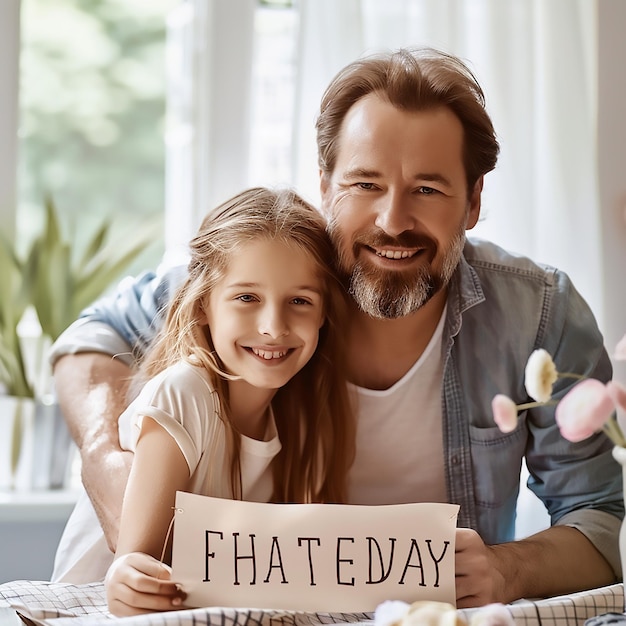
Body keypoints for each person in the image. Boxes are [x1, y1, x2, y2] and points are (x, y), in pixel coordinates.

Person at [50, 47, 623, 608]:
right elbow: (90, 339)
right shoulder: (261, 275)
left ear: (473, 201)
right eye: (365, 184)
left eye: (427, 189)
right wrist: (106, 460)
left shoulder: (540, 312)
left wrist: (507, 569)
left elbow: (603, 517)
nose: (393, 221)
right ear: (325, 185)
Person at [53, 187, 356, 616]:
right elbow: (136, 566)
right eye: (247, 298)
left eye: (300, 301)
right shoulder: (184, 395)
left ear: (324, 313)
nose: (273, 326)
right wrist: (130, 580)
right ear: (203, 307)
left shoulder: (305, 418)